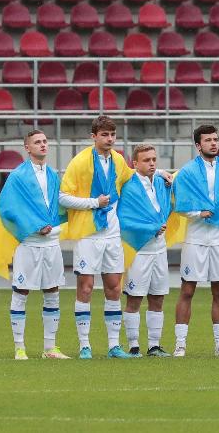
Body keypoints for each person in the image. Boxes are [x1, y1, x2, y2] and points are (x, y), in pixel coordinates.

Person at [60, 116, 174, 360]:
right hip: (89, 233)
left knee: (114, 287)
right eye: (104, 134)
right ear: (93, 136)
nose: (109, 139)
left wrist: (160, 171)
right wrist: (93, 203)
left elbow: (134, 175)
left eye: (112, 134)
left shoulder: (118, 160)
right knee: (86, 287)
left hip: (112, 233)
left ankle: (114, 346)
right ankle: (84, 346)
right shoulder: (80, 162)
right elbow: (63, 196)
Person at [0, 130, 93, 360]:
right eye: (37, 142)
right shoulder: (17, 176)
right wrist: (35, 225)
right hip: (29, 242)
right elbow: (7, 207)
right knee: (21, 292)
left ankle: (50, 348)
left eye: (45, 141)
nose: (43, 145)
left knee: (52, 292)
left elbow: (58, 204)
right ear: (27, 148)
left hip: (51, 244)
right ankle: (20, 347)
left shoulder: (53, 175)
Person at [171, 125, 219, 357]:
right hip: (196, 238)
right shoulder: (188, 171)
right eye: (208, 140)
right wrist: (198, 213)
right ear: (198, 145)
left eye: (216, 139)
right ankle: (180, 344)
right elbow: (181, 203)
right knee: (188, 290)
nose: (214, 143)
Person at [119, 144, 173, 358]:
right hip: (139, 250)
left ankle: (154, 345)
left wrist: (162, 174)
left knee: (157, 297)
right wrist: (150, 228)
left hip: (159, 249)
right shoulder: (129, 186)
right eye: (146, 160)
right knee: (134, 298)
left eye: (153, 160)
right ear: (135, 164)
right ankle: (133, 346)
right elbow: (124, 219)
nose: (151, 163)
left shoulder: (161, 182)